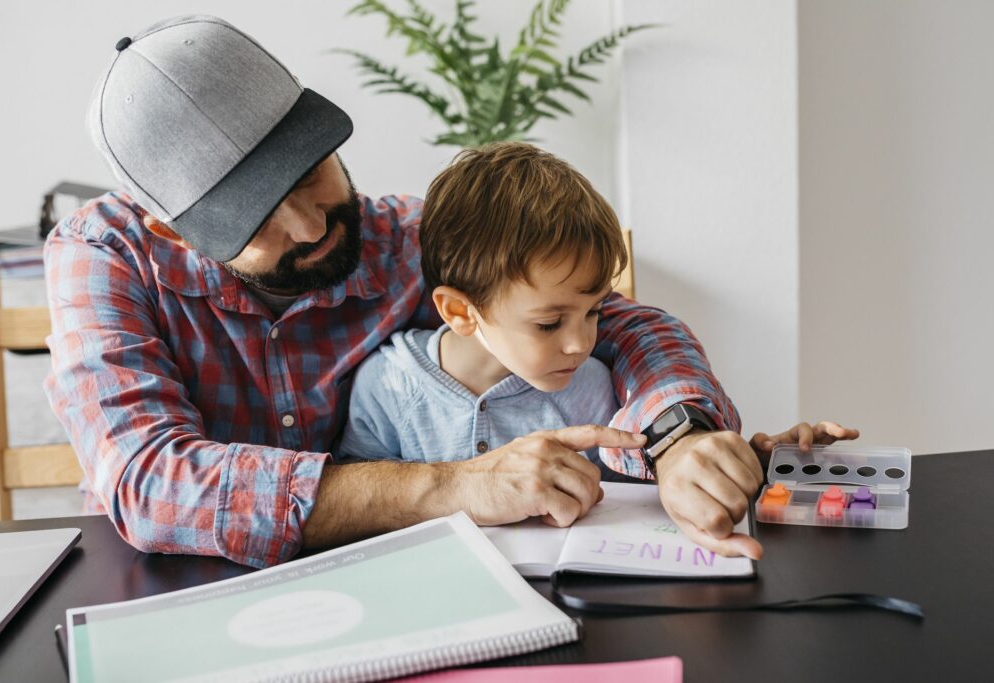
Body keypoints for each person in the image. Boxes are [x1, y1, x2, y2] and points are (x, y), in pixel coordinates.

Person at [43, 15, 835, 569]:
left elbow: (626, 325)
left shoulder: (403, 237)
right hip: (183, 594)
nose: (312, 224)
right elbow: (150, 482)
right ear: (179, 233)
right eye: (258, 218)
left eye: (311, 171)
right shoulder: (102, 257)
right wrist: (458, 483)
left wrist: (680, 435)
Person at [338, 142, 858, 540]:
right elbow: (365, 517)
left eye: (594, 313)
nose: (582, 342)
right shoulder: (385, 387)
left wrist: (749, 464)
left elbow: (658, 481)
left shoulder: (590, 386)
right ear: (460, 312)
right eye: (549, 323)